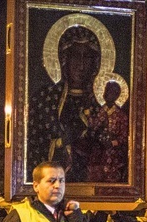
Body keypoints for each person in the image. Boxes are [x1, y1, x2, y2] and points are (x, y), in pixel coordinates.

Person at [28, 26, 102, 182]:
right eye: (75, 56)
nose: (81, 65)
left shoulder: (99, 103)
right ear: (64, 59)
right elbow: (33, 144)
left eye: (87, 57)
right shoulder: (45, 99)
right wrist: (61, 143)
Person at [87, 80, 129, 183]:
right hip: (98, 151)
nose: (106, 94)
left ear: (116, 95)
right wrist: (88, 116)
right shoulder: (100, 111)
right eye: (106, 90)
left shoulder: (121, 115)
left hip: (112, 154)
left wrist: (112, 143)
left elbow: (124, 135)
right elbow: (93, 126)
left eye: (109, 92)